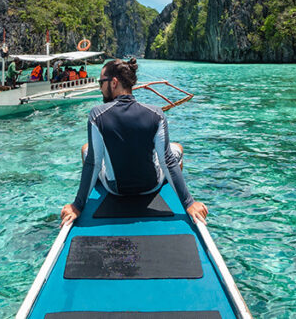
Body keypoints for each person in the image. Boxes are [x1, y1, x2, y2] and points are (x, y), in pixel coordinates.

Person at [60, 59, 208, 227]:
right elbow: (167, 161)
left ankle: (97, 185)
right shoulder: (156, 114)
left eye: (101, 82)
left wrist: (77, 205)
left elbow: (93, 162)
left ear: (114, 83)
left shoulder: (97, 115)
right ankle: (172, 191)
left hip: (115, 190)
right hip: (151, 186)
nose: (100, 87)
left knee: (86, 150)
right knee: (177, 148)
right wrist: (189, 202)